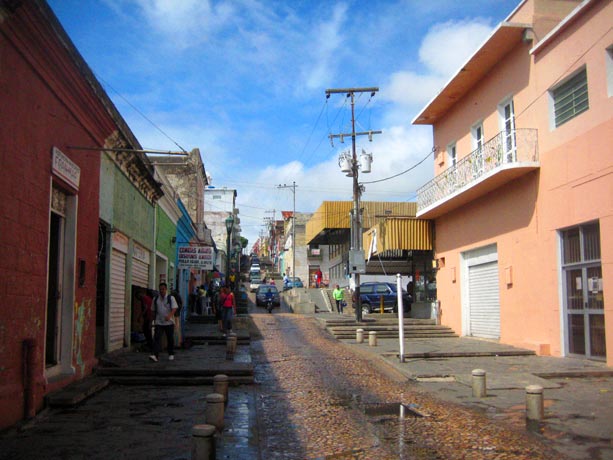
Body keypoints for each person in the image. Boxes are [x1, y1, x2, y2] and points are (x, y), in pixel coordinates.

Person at [149, 282, 178, 362]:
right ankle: (155, 355)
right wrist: (151, 321)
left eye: (163, 289)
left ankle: (171, 353)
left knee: (170, 338)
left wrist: (169, 315)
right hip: (159, 322)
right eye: (160, 289)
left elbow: (174, 308)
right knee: (157, 338)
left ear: (166, 290)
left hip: (169, 323)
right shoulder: (155, 299)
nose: (162, 291)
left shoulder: (170, 298)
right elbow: (153, 311)